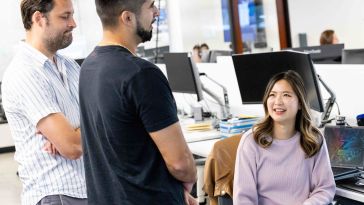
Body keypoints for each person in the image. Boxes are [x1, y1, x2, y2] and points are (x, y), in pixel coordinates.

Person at [79, 0, 197, 204]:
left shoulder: (88, 67)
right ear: (127, 18)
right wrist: (190, 179)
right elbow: (180, 163)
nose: (157, 12)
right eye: (151, 6)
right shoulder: (142, 73)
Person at [1, 0, 87, 205]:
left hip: (86, 189)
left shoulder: (69, 66)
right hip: (56, 194)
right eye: (65, 16)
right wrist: (71, 136)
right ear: (39, 18)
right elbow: (72, 146)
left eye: (72, 15)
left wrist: (74, 131)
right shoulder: (25, 73)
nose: (73, 23)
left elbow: (100, 113)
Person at [233, 70, 335, 204]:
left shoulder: (314, 139)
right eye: (272, 95)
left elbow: (325, 188)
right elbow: (243, 200)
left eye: (286, 95)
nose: (278, 102)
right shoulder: (251, 141)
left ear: (300, 103)